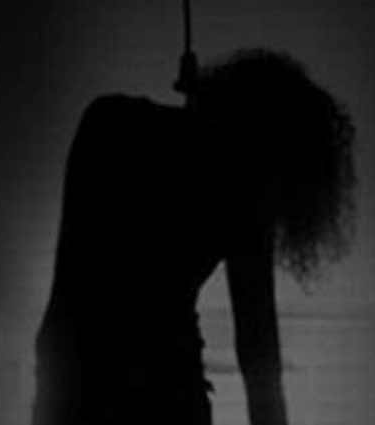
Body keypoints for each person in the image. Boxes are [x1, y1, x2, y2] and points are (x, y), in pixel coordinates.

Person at [32, 48, 355, 425]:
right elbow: (258, 351)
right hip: (160, 388)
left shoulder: (109, 121)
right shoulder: (244, 191)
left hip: (75, 375)